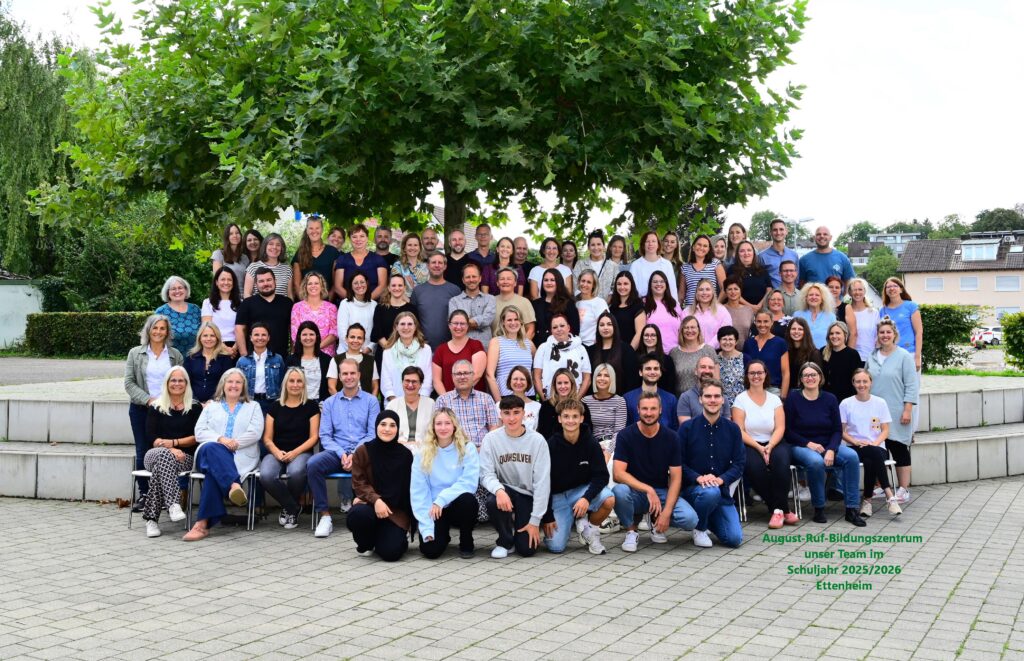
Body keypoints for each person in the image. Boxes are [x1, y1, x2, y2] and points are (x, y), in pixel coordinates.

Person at [611, 392, 699, 552]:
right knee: (619, 491)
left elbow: (676, 479)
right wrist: (648, 489)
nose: (649, 413)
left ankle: (656, 520)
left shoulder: (671, 437)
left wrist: (666, 513)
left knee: (690, 519)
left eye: (653, 408)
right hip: (635, 491)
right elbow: (618, 474)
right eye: (644, 408)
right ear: (638, 409)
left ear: (660, 410)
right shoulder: (626, 435)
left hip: (661, 492)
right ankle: (631, 531)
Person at [184, 369, 265, 541]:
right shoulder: (211, 406)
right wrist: (221, 439)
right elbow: (199, 432)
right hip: (208, 453)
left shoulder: (253, 406)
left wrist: (235, 443)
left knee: (213, 474)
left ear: (243, 386)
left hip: (241, 455)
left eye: (238, 382)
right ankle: (234, 485)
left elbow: (255, 432)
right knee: (212, 447)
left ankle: (201, 525)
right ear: (223, 384)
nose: (234, 385)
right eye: (230, 382)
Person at [784, 362, 866, 526]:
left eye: (813, 374)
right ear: (801, 379)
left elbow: (837, 430)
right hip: (801, 446)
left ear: (820, 377)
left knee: (851, 457)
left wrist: (831, 449)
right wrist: (809, 444)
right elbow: (788, 430)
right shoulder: (793, 398)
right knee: (815, 461)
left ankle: (851, 509)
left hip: (827, 445)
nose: (810, 378)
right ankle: (819, 508)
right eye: (806, 375)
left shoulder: (830, 398)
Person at [310, 358, 381, 536]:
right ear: (340, 377)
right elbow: (325, 436)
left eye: (352, 373)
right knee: (313, 465)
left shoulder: (371, 401)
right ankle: (325, 516)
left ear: (359, 375)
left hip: (362, 454)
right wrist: (342, 453)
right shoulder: (329, 403)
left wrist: (355, 454)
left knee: (379, 464)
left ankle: (371, 511)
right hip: (337, 453)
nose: (349, 377)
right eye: (345, 373)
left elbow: (372, 434)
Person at [542, 400, 618, 554]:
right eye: (566, 416)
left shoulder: (591, 443)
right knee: (556, 547)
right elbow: (543, 483)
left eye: (575, 416)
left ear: (582, 418)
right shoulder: (550, 445)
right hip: (557, 497)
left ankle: (590, 530)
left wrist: (586, 498)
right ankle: (575, 518)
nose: (570, 421)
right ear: (559, 419)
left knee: (608, 499)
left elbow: (602, 476)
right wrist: (548, 517)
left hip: (580, 492)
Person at [480, 395, 552, 559]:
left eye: (516, 412)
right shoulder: (491, 439)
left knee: (526, 550)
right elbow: (485, 474)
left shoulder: (537, 441)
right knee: (492, 500)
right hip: (505, 491)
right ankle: (505, 541)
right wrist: (499, 490)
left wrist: (535, 521)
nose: (511, 418)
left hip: (527, 495)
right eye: (507, 413)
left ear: (524, 414)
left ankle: (520, 532)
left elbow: (542, 483)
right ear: (500, 415)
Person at [678, 379, 745, 548]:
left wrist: (721, 479)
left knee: (734, 539)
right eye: (708, 396)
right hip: (693, 491)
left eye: (717, 396)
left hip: (720, 492)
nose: (712, 400)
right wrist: (699, 478)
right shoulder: (687, 428)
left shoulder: (733, 429)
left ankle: (707, 517)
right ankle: (700, 528)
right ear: (700, 399)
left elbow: (739, 463)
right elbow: (678, 463)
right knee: (709, 492)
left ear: (723, 400)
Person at [125, 314, 183, 506]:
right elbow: (129, 383)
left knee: (164, 451)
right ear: (148, 330)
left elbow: (181, 382)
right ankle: (145, 494)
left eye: (162, 328)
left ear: (167, 332)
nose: (158, 332)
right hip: (142, 408)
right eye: (155, 328)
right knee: (143, 450)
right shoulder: (135, 353)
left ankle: (165, 496)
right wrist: (149, 400)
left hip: (168, 411)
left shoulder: (175, 355)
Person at [733, 360, 796, 529]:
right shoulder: (740, 400)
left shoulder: (774, 399)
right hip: (750, 443)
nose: (756, 376)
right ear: (747, 376)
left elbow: (780, 427)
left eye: (759, 372)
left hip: (774, 441)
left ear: (765, 374)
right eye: (752, 373)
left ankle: (778, 511)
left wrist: (770, 446)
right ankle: (781, 509)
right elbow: (739, 430)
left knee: (781, 463)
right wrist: (759, 447)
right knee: (754, 468)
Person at [411, 408, 481, 559]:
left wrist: (442, 499)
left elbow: (469, 482)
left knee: (468, 500)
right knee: (430, 551)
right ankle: (443, 534)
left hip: (457, 505)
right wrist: (427, 529)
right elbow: (419, 492)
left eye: (447, 423)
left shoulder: (467, 448)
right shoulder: (422, 453)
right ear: (433, 427)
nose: (443, 428)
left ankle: (466, 539)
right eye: (439, 423)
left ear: (454, 426)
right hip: (434, 509)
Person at [141, 366, 202, 538]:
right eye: (173, 380)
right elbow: (151, 436)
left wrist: (175, 443)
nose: (177, 383)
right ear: (167, 383)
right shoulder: (156, 406)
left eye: (181, 380)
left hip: (185, 458)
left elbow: (197, 436)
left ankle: (151, 520)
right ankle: (174, 503)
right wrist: (171, 449)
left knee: (161, 467)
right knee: (163, 455)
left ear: (186, 383)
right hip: (154, 454)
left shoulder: (195, 407)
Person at [346, 410, 414, 561]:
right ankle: (367, 543)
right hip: (370, 506)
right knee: (358, 515)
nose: (387, 429)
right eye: (383, 424)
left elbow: (408, 489)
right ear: (376, 426)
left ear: (398, 429)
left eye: (392, 425)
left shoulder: (405, 455)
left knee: (391, 553)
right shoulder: (363, 451)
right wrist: (376, 500)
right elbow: (359, 482)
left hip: (394, 512)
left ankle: (391, 537)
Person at [259, 367, 320, 530]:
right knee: (266, 475)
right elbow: (267, 438)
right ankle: (292, 507)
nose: (295, 384)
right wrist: (276, 452)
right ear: (285, 384)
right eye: (291, 381)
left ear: (304, 384)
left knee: (296, 472)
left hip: (301, 452)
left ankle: (289, 509)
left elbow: (314, 437)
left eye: (299, 381)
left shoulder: (311, 406)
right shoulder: (275, 406)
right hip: (277, 452)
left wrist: (295, 452)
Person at [867, 318, 918, 505]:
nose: (885, 335)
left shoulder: (904, 356)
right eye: (882, 332)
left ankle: (903, 489)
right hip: (875, 414)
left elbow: (911, 384)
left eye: (888, 332)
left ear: (894, 334)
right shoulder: (872, 356)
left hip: (897, 411)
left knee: (898, 448)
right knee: (879, 448)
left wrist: (908, 409)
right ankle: (882, 485)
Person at [841, 368, 902, 518]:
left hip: (877, 446)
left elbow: (885, 430)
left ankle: (867, 501)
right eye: (858, 381)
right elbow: (841, 432)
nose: (861, 385)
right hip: (854, 447)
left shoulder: (880, 403)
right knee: (872, 456)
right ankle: (889, 496)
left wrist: (874, 443)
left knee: (871, 459)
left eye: (865, 381)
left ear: (871, 382)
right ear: (853, 383)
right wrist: (855, 441)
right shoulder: (846, 403)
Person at [436, 359, 501, 449]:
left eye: (466, 373)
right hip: (453, 451)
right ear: (452, 377)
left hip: (482, 449)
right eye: (458, 374)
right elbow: (439, 430)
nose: (462, 377)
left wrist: (482, 449)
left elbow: (494, 427)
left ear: (473, 375)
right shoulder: (443, 400)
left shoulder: (486, 398)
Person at [234, 267, 293, 358]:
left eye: (269, 280)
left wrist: (293, 353)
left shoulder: (287, 303)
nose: (265, 283)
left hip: (281, 357)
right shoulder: (247, 303)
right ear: (256, 284)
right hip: (253, 358)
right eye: (261, 281)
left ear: (275, 281)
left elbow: (293, 330)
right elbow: (239, 329)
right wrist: (244, 354)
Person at [411, 252, 462, 349]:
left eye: (440, 263)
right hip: (423, 347)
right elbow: (413, 319)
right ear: (428, 266)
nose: (437, 265)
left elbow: (460, 319)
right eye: (433, 262)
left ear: (445, 266)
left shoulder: (455, 290)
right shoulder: (417, 291)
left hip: (450, 347)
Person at [533, 313, 592, 398]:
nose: (559, 329)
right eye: (555, 327)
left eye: (562, 326)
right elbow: (536, 377)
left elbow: (587, 378)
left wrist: (576, 400)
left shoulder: (580, 348)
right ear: (551, 330)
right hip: (550, 399)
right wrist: (545, 399)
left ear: (568, 327)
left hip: (574, 399)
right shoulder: (543, 348)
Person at [380, 312, 433, 402]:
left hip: (420, 402)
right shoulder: (388, 352)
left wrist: (420, 401)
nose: (406, 327)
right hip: (394, 403)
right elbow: (386, 382)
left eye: (410, 324)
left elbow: (428, 379)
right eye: (402, 324)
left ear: (415, 327)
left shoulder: (425, 349)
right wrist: (395, 402)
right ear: (396, 327)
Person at [433, 310, 486, 395]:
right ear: (449, 325)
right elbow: (437, 381)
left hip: (474, 398)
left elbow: (477, 375)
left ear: (467, 326)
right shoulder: (440, 350)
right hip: (448, 400)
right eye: (455, 323)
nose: (458, 327)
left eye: (462, 324)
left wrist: (458, 395)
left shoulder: (476, 345)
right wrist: (447, 398)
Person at [236, 322, 286, 413]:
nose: (260, 338)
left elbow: (283, 383)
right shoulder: (242, 361)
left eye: (263, 335)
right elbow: (237, 385)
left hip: (272, 403)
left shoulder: (277, 359)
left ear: (268, 338)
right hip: (248, 403)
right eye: (256, 335)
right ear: (251, 338)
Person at [587, 312, 638, 396]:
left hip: (621, 399)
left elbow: (632, 379)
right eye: (602, 325)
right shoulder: (590, 351)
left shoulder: (626, 350)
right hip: (595, 400)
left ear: (615, 327)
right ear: (597, 328)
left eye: (609, 324)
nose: (605, 328)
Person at [624, 355, 679, 431]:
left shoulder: (671, 399)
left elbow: (675, 429)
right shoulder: (627, 399)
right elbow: (625, 429)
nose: (652, 372)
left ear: (660, 373)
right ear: (640, 372)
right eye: (648, 369)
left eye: (656, 369)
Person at [183, 322, 235, 403]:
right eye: (205, 335)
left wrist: (212, 401)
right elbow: (185, 382)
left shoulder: (225, 359)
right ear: (200, 338)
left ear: (217, 338)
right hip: (192, 403)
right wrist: (196, 402)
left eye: (212, 335)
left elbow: (227, 384)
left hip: (218, 403)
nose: (208, 339)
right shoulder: (190, 358)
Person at [334, 223, 388, 301]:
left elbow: (382, 286)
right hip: (349, 304)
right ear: (350, 239)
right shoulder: (342, 259)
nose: (358, 239)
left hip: (372, 303)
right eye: (354, 237)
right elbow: (338, 287)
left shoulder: (378, 259)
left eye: (362, 236)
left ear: (367, 238)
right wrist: (354, 302)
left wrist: (366, 302)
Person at [581, 364, 628, 455]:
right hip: (592, 444)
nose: (602, 378)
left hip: (613, 444)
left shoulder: (619, 401)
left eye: (606, 375)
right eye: (599, 375)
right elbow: (583, 430)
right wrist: (594, 446)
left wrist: (608, 451)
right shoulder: (585, 401)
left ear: (612, 379)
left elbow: (619, 431)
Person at [290, 272, 339, 356]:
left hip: (326, 355)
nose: (313, 286)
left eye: (316, 283)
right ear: (305, 287)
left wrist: (316, 348)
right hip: (304, 354)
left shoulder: (331, 308)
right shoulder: (297, 307)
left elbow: (334, 333)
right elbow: (295, 334)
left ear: (322, 286)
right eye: (310, 284)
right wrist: (308, 350)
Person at [536, 368, 594, 438]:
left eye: (566, 383)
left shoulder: (582, 406)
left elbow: (588, 432)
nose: (563, 386)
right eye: (559, 383)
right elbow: (543, 433)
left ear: (572, 384)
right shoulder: (546, 406)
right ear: (554, 385)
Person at [291, 215, 339, 299]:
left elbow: (336, 283)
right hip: (305, 301)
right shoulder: (300, 253)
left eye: (317, 228)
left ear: (322, 230)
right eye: (311, 228)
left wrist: (326, 302)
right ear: (307, 230)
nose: (314, 231)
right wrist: (306, 304)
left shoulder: (333, 252)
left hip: (328, 302)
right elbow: (296, 284)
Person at [448, 261, 496, 345]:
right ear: (463, 280)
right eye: (468, 277)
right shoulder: (454, 301)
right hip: (462, 347)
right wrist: (479, 322)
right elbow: (454, 325)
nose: (471, 280)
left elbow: (487, 320)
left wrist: (464, 323)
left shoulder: (490, 299)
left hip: (484, 347)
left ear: (480, 278)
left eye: (474, 276)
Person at [880, 277, 923, 372]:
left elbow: (919, 333)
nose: (892, 288)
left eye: (895, 286)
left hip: (909, 353)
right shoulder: (882, 310)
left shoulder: (911, 306)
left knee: (911, 382)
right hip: (890, 354)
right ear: (885, 291)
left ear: (901, 289)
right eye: (888, 287)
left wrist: (917, 357)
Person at [743, 310, 790, 396]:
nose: (762, 325)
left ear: (772, 322)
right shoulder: (748, 343)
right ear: (755, 322)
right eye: (759, 321)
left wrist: (783, 397)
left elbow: (786, 373)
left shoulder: (780, 343)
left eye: (766, 321)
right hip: (752, 389)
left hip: (773, 390)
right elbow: (745, 370)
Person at [385, 366, 434, 447]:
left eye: (414, 381)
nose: (410, 385)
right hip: (398, 448)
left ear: (420, 384)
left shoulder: (430, 404)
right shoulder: (392, 405)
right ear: (402, 382)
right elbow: (387, 432)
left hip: (425, 449)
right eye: (407, 381)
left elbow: (434, 432)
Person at [371, 274, 416, 363]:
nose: (397, 288)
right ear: (389, 288)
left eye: (400, 285)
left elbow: (416, 331)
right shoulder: (380, 308)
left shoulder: (412, 309)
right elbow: (377, 332)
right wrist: (391, 351)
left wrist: (403, 352)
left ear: (404, 288)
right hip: (385, 354)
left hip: (407, 355)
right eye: (394, 285)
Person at [669, 315, 718, 394]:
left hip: (704, 397)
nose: (690, 330)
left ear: (698, 329)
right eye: (686, 328)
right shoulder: (674, 352)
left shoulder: (709, 350)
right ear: (681, 331)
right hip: (680, 398)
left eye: (693, 327)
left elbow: (716, 379)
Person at [532, 268, 581, 346]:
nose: (549, 283)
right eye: (546, 280)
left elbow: (575, 330)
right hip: (539, 348)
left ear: (558, 282)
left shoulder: (568, 304)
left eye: (552, 280)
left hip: (561, 347)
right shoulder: (535, 304)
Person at [327, 324, 379, 397]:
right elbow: (331, 387)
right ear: (346, 339)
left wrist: (371, 402)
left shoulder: (371, 361)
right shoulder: (336, 360)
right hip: (342, 402)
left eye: (359, 338)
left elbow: (375, 387)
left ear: (363, 341)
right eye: (352, 337)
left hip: (365, 403)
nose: (355, 340)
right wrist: (341, 402)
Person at [676, 355, 732, 423]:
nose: (707, 371)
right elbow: (686, 427)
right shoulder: (686, 397)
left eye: (710, 368)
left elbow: (727, 425)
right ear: (696, 371)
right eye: (703, 367)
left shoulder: (722, 397)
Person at [286, 321, 332, 403]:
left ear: (317, 337)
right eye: (304, 335)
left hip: (320, 404)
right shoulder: (291, 360)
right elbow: (286, 385)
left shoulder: (327, 360)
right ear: (299, 337)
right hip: (298, 403)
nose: (308, 337)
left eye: (311, 334)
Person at [156, 276, 202, 354]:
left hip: (196, 357)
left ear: (186, 290)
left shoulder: (195, 309)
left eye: (180, 288)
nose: (177, 291)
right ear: (167, 292)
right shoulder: (161, 312)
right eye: (173, 289)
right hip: (171, 358)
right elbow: (155, 337)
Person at [822, 321, 863, 405]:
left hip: (846, 401)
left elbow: (857, 379)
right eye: (831, 333)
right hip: (826, 400)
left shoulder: (853, 355)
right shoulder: (822, 352)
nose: (834, 336)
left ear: (845, 335)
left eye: (838, 333)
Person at [202, 267, 241, 356]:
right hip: (215, 346)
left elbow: (244, 328)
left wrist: (235, 348)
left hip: (237, 347)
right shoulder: (208, 303)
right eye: (223, 279)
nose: (226, 282)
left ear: (233, 283)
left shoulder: (241, 303)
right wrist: (225, 348)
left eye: (229, 280)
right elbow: (207, 327)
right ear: (216, 282)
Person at [630, 231, 679, 300]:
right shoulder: (635, 265)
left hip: (663, 304)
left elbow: (672, 289)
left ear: (658, 244)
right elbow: (632, 290)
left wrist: (675, 305)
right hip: (641, 304)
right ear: (643, 245)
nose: (650, 244)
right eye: (647, 241)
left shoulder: (667, 264)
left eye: (653, 241)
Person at [643, 270, 684, 353]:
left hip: (676, 352)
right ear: (650, 285)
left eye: (662, 281)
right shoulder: (644, 303)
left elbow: (682, 328)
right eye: (655, 282)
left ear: (666, 285)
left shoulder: (674, 304)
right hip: (653, 353)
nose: (659, 284)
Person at [680, 235, 726, 307]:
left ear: (708, 249)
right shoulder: (685, 267)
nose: (701, 248)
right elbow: (681, 294)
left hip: (710, 310)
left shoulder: (715, 263)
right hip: (690, 310)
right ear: (693, 247)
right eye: (699, 244)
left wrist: (716, 304)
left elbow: (725, 288)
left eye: (705, 246)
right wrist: (678, 309)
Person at [336, 272, 377, 354]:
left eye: (362, 282)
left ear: (367, 283)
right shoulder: (345, 304)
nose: (359, 285)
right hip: (346, 352)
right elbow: (342, 331)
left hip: (367, 353)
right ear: (351, 286)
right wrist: (356, 350)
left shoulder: (374, 305)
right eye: (355, 283)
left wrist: (369, 348)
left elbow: (376, 331)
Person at [686, 279, 732, 351]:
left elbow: (725, 331)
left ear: (713, 293)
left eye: (707, 289)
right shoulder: (687, 311)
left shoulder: (722, 310)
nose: (704, 293)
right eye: (701, 290)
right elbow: (683, 332)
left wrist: (708, 348)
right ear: (696, 293)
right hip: (692, 351)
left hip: (716, 352)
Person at [492, 267, 537, 340]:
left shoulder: (524, 302)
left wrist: (522, 345)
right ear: (497, 283)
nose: (505, 281)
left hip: (518, 344)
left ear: (515, 283)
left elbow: (530, 330)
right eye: (502, 279)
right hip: (495, 345)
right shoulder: (491, 301)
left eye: (509, 279)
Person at [243, 233, 292, 299]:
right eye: (271, 244)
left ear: (282, 248)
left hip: (282, 305)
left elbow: (289, 295)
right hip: (257, 305)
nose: (274, 247)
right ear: (265, 246)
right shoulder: (253, 267)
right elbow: (247, 294)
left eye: (278, 245)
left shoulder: (287, 269)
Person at [727, 240, 772, 310]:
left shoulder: (761, 269)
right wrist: (751, 306)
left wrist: (760, 305)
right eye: (742, 251)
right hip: (741, 310)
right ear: (738, 254)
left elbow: (769, 289)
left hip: (762, 309)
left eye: (749, 250)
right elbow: (731, 291)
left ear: (753, 253)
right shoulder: (732, 270)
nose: (746, 253)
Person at [573, 230, 617, 300]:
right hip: (584, 304)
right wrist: (589, 303)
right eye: (593, 245)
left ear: (604, 246)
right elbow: (576, 287)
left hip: (607, 305)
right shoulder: (580, 264)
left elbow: (615, 289)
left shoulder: (612, 266)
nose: (596, 248)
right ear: (588, 247)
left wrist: (603, 304)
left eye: (599, 244)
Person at [784, 316, 823, 394]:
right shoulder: (784, 351)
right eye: (793, 329)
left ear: (806, 332)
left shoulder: (814, 353)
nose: (796, 331)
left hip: (806, 394)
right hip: (787, 393)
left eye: (800, 329)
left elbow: (818, 378)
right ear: (789, 331)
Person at [758, 218, 799, 288]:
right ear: (770, 232)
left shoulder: (794, 255)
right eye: (775, 230)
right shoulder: (762, 256)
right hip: (772, 294)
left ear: (786, 231)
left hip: (791, 293)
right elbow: (760, 280)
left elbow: (797, 278)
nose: (778, 233)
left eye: (781, 229)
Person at [609, 272, 646, 350]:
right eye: (619, 284)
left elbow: (639, 333)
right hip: (614, 351)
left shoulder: (638, 306)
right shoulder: (612, 307)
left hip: (631, 351)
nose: (622, 287)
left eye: (625, 284)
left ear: (631, 285)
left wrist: (629, 352)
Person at [846, 277, 879, 363]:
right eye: (854, 290)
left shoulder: (873, 313)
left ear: (864, 291)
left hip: (870, 358)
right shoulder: (846, 312)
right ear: (849, 292)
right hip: (851, 358)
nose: (857, 292)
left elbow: (878, 336)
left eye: (860, 289)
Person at [637, 323, 677, 394]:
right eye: (646, 335)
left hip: (663, 398)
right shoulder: (636, 359)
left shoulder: (667, 360)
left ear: (658, 337)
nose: (649, 338)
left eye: (653, 335)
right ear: (642, 337)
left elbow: (671, 384)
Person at [793, 282, 836, 349]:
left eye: (817, 295)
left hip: (825, 354)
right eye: (810, 295)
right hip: (803, 353)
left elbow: (834, 338)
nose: (813, 297)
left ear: (822, 299)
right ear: (805, 298)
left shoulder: (831, 316)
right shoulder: (797, 315)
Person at [211, 223, 250, 294]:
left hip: (242, 296)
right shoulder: (218, 254)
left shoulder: (244, 257)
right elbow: (217, 279)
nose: (235, 235)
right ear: (227, 237)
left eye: (237, 233)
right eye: (231, 234)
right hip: (226, 295)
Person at [575, 269, 609, 347]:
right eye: (583, 281)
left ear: (594, 285)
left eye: (589, 282)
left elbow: (605, 326)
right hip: (577, 346)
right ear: (579, 282)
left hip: (592, 346)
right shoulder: (576, 303)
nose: (585, 284)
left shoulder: (599, 303)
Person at [716, 326, 747, 408]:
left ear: (736, 342)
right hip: (720, 405)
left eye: (730, 339)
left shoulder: (745, 358)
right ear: (719, 341)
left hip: (741, 405)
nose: (727, 342)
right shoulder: (714, 358)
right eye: (724, 339)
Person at [507, 366, 542, 432]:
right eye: (515, 379)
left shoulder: (537, 406)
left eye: (522, 379)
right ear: (510, 381)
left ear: (528, 382)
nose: (518, 382)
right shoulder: (500, 405)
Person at [721, 277, 753, 346]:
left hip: (745, 350)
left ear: (741, 291)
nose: (733, 292)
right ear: (725, 291)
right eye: (730, 289)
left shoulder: (748, 310)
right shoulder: (720, 310)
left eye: (736, 289)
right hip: (725, 349)